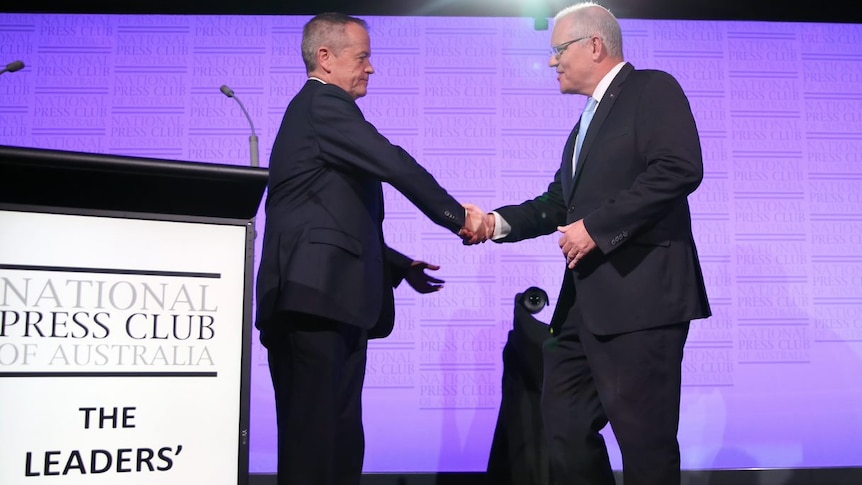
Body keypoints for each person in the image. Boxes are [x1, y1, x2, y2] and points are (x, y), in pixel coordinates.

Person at [466, 3, 712, 484]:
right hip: (584, 308)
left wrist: (597, 228)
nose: (552, 62)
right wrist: (494, 223)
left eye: (559, 50)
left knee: (646, 445)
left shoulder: (652, 89)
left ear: (594, 45)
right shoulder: (584, 126)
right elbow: (560, 202)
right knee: (564, 426)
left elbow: (679, 168)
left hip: (642, 302)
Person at [255, 12, 486, 485]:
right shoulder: (324, 105)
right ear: (325, 58)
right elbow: (393, 162)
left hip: (328, 300)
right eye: (362, 57)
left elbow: (331, 217)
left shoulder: (318, 114)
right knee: (316, 446)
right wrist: (456, 216)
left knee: (337, 442)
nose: (371, 68)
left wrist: (399, 265)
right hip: (312, 300)